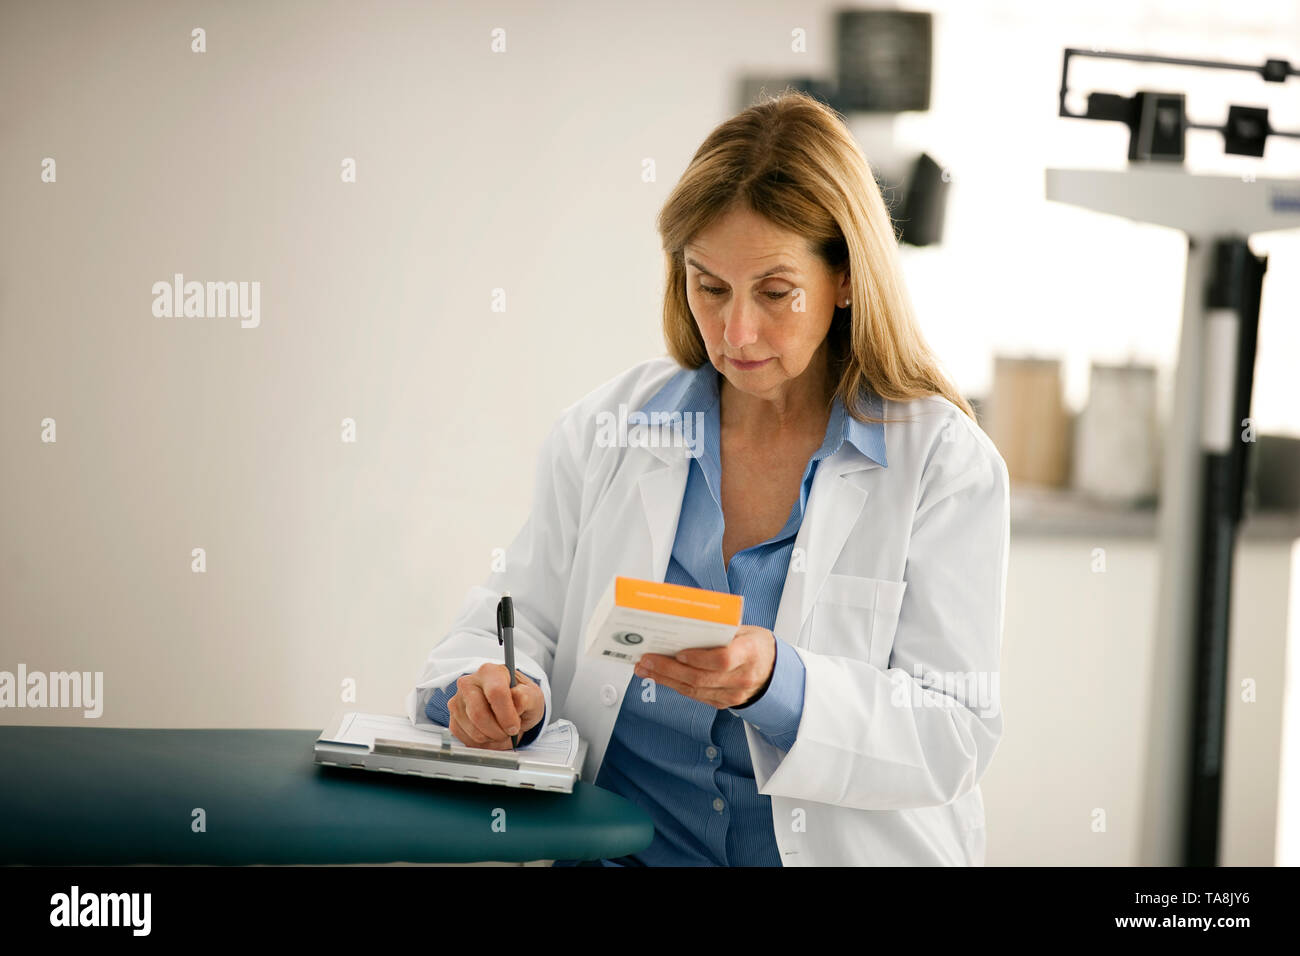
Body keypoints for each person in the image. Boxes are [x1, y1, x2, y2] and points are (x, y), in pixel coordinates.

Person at [408, 90, 1009, 866]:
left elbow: (956, 730)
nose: (735, 332)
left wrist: (780, 684)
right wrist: (490, 693)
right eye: (710, 286)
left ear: (848, 278)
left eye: (776, 292)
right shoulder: (608, 433)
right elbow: (515, 626)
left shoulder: (942, 465)